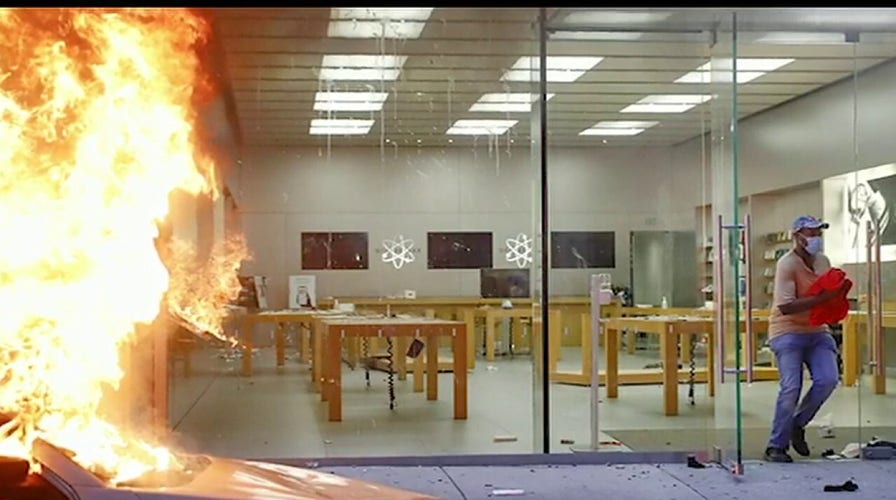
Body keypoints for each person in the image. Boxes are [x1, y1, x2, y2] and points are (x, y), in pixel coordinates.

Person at [763, 215, 851, 463]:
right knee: (791, 387)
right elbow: (786, 307)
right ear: (797, 236)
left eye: (818, 233)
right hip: (787, 330)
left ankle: (797, 424)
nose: (815, 238)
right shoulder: (786, 264)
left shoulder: (822, 261)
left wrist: (838, 296)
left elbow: (828, 291)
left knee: (828, 379)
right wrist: (825, 299)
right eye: (810, 233)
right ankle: (776, 446)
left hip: (816, 330)